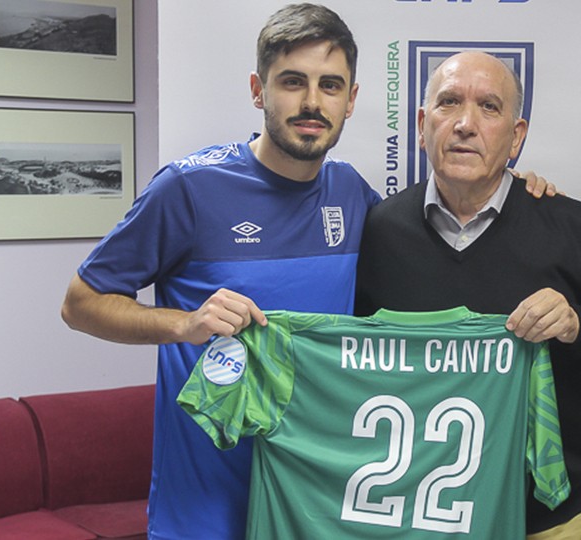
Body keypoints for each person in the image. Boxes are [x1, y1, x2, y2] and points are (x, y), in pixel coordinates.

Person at [61, 5, 554, 539]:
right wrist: (183, 324)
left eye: (331, 86)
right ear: (258, 89)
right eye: (293, 82)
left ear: (352, 100)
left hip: (315, 512)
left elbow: (439, 228)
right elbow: (80, 303)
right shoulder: (187, 188)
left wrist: (508, 184)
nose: (313, 103)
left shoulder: (352, 194)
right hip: (203, 515)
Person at [354, 51, 581, 540]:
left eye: (489, 107)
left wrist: (579, 324)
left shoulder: (576, 229)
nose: (466, 124)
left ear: (517, 136)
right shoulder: (377, 231)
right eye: (448, 103)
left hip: (544, 523)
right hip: (407, 516)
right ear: (422, 124)